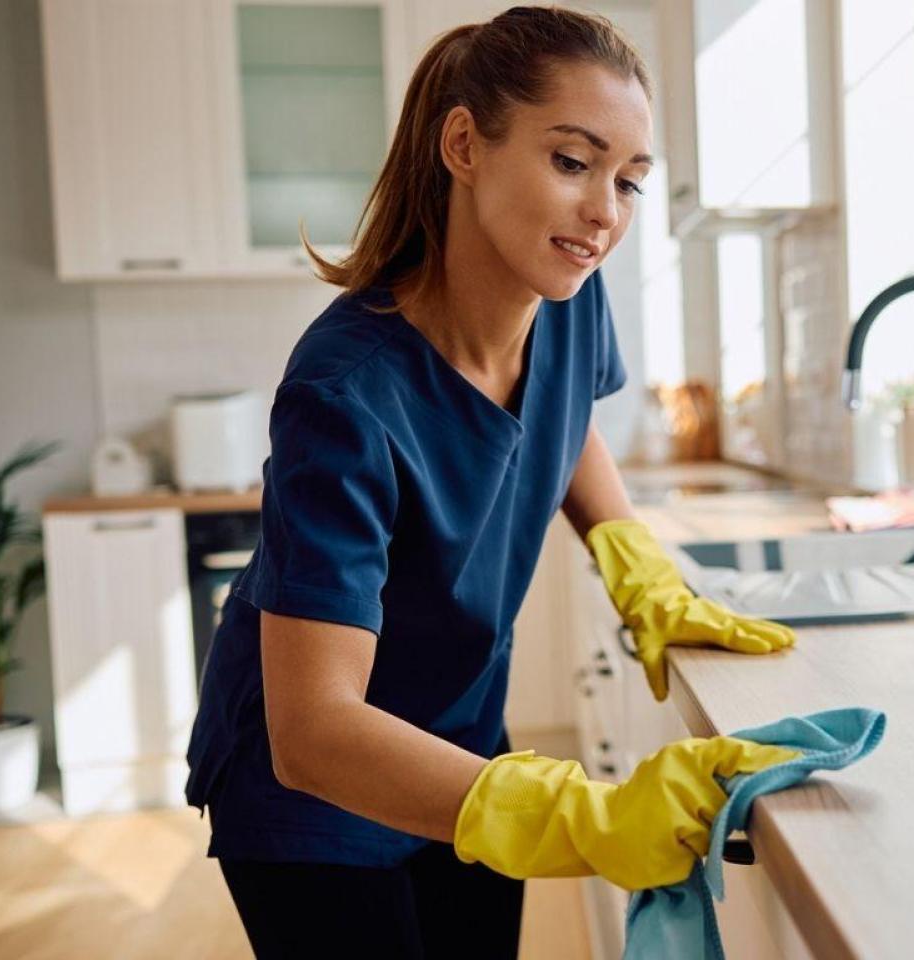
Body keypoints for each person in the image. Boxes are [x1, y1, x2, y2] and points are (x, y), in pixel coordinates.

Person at [183, 8, 798, 957]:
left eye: (629, 181)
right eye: (573, 162)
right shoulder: (345, 393)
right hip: (313, 792)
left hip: (460, 737)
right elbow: (313, 733)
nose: (606, 213)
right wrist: (588, 815)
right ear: (464, 144)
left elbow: (565, 416)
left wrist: (638, 567)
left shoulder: (569, 294)